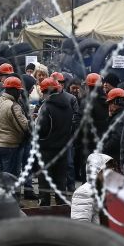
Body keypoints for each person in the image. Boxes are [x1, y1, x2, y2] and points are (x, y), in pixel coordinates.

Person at [36, 76, 75, 205]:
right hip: (62, 148)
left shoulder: (46, 107)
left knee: (45, 179)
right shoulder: (68, 105)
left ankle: (44, 205)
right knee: (60, 179)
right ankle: (61, 205)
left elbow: (41, 130)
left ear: (45, 92)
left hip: (46, 149)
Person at [0, 76, 29, 178]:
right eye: (19, 91)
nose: (20, 93)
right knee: (10, 178)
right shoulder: (13, 106)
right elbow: (24, 127)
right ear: (15, 91)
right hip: (9, 146)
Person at [71, 153, 115, 225]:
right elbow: (80, 226)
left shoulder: (107, 190)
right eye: (107, 169)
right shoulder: (84, 192)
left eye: (112, 169)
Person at [102, 87, 124, 162]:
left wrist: (104, 148)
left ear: (117, 102)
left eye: (110, 103)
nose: (109, 106)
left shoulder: (119, 118)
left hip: (116, 156)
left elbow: (117, 138)